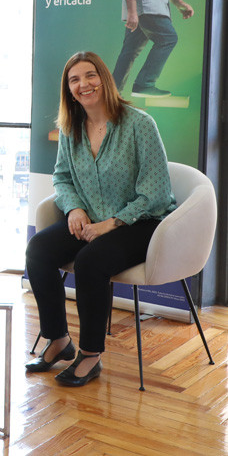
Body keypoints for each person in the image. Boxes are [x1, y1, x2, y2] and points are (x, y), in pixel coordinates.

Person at [25, 51, 176, 386]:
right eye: (74, 79)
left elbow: (157, 194)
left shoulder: (139, 125)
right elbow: (62, 177)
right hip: (90, 218)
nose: (84, 84)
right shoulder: (70, 127)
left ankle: (90, 356)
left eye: (90, 75)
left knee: (91, 261)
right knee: (38, 249)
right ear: (69, 89)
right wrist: (75, 209)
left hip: (140, 222)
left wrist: (113, 223)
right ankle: (59, 340)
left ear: (104, 79)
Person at [112, 0, 194, 98]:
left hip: (155, 7)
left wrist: (180, 4)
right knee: (168, 38)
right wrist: (132, 12)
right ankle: (144, 84)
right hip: (146, 7)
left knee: (130, 50)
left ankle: (113, 93)